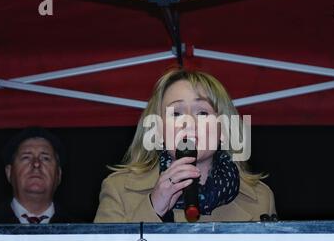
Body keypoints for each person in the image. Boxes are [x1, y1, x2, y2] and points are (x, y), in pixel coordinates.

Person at [94, 69, 276, 223]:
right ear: (158, 130)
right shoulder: (118, 190)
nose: (189, 122)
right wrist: (153, 207)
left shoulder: (261, 198)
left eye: (203, 112)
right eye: (176, 113)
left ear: (224, 129)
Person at [0, 127, 78, 224]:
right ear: (9, 172)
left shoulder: (83, 233)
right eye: (26, 157)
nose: (36, 164)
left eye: (45, 158)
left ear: (58, 175)